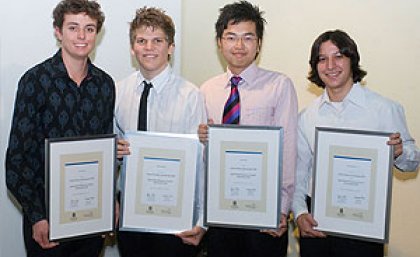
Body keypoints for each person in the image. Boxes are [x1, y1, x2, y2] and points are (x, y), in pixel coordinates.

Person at [292, 29, 420, 257]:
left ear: (352, 60)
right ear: (315, 66)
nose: (330, 65)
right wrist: (300, 213)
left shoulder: (384, 109)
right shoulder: (307, 117)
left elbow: (412, 163)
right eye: (322, 59)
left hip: (364, 224)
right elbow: (300, 173)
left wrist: (400, 152)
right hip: (317, 223)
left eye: (339, 56)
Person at [5, 0, 114, 256]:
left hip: (91, 220)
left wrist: (110, 203)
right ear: (58, 31)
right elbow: (17, 159)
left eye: (89, 28)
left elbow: (105, 154)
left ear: (97, 33)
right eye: (73, 27)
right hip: (46, 222)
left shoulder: (105, 85)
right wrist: (36, 216)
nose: (81, 36)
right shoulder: (34, 81)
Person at [198, 1, 298, 257]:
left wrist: (282, 209)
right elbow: (202, 158)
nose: (239, 46)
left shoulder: (279, 86)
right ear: (219, 43)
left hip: (264, 215)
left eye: (247, 38)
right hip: (220, 213)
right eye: (231, 37)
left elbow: (288, 150)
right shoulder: (207, 89)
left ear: (259, 43)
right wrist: (199, 139)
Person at [114, 7, 207, 257]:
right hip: (130, 213)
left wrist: (201, 220)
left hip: (176, 215)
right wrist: (115, 152)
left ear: (171, 47)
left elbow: (200, 161)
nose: (149, 47)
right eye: (141, 41)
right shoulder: (117, 92)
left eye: (158, 40)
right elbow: (110, 154)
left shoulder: (190, 95)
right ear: (132, 48)